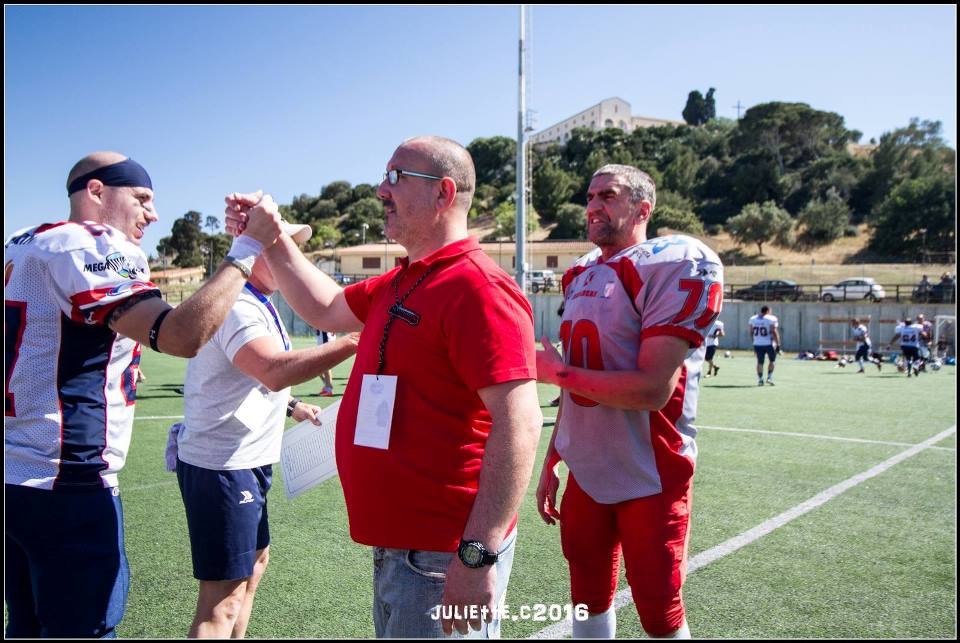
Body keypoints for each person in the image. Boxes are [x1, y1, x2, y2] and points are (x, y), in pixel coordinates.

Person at [224, 136, 543, 638]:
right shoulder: (407, 279)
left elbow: (521, 424)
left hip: (444, 554)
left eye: (396, 177)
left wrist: (477, 555)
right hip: (405, 551)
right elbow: (324, 307)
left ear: (443, 193)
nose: (380, 189)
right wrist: (271, 238)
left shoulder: (478, 288)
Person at [3, 151, 282, 638]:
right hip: (65, 482)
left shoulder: (21, 243)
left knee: (27, 624)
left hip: (14, 476)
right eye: (141, 198)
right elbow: (178, 337)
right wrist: (246, 248)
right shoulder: (89, 244)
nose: (151, 214)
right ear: (95, 192)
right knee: (82, 628)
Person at [535, 164, 724, 639]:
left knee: (660, 610)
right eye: (591, 195)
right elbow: (574, 387)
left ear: (644, 208)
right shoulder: (580, 272)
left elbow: (650, 388)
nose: (593, 205)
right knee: (586, 598)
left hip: (650, 470)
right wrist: (554, 455)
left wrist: (554, 370)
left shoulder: (672, 261)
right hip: (587, 466)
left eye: (608, 195)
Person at [172, 224, 360, 639]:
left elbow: (246, 376)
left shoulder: (259, 301)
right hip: (224, 465)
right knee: (220, 602)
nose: (293, 256)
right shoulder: (238, 304)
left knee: (254, 567)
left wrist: (291, 406)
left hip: (246, 461)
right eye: (282, 247)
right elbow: (272, 370)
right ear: (254, 254)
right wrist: (352, 343)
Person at [749, 305, 781, 386]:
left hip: (757, 343)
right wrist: (778, 344)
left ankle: (760, 379)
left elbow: (751, 332)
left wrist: (754, 341)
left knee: (760, 362)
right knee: (772, 361)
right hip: (769, 344)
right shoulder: (771, 319)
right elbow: (774, 331)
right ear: (767, 311)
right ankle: (769, 377)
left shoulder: (753, 319)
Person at [314, 328, 336, 396]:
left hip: (326, 342)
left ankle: (328, 389)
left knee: (325, 366)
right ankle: (327, 385)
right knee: (318, 367)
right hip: (324, 341)